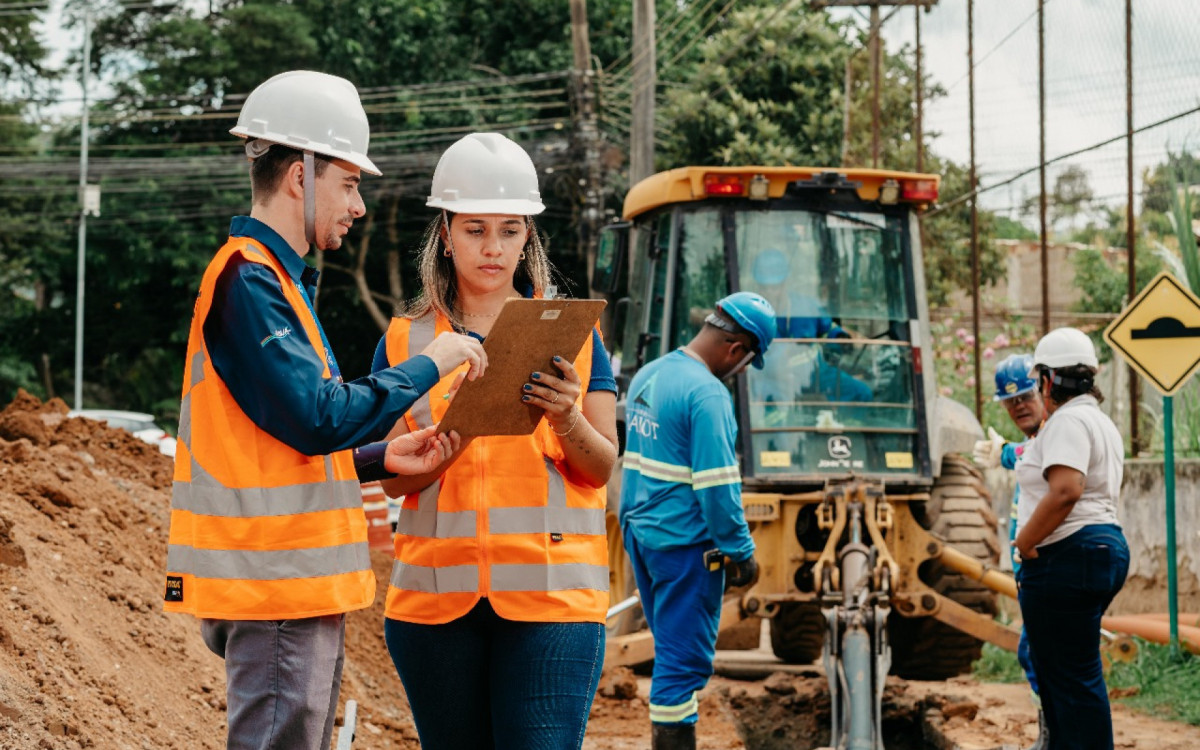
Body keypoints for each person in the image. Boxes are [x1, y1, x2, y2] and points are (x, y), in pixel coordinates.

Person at [162, 70, 486, 750]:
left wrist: (375, 459)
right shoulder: (249, 278)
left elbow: (288, 437)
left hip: (290, 581)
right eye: (349, 182)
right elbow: (318, 415)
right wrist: (436, 360)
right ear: (300, 176)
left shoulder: (273, 281)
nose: (360, 205)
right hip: (276, 582)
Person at [372, 132, 620, 749]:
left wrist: (566, 419)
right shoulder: (404, 343)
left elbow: (601, 468)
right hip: (436, 605)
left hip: (552, 601)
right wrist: (437, 455)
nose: (492, 247)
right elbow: (393, 478)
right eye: (475, 229)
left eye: (510, 230)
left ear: (528, 236)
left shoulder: (576, 336)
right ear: (446, 233)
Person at [619, 291, 775, 750]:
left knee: (670, 648)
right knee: (682, 664)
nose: (741, 370)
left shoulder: (653, 372)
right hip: (684, 544)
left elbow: (635, 462)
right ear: (736, 349)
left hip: (643, 534)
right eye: (747, 360)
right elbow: (717, 489)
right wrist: (741, 552)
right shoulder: (707, 394)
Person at [1013, 328, 1129, 750]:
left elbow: (1066, 490)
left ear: (1046, 380)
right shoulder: (1101, 422)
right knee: (1070, 676)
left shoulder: (1066, 422)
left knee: (1067, 681)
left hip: (1068, 555)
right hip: (1102, 548)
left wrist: (1024, 543)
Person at [973, 353, 1048, 750]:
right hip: (1031, 571)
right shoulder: (1032, 442)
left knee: (1043, 655)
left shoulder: (1052, 434)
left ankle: (1056, 736)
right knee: (1034, 654)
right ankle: (1051, 733)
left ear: (1045, 391)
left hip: (1050, 567)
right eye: (1010, 400)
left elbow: (1035, 458)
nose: (1018, 405)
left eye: (1025, 396)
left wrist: (1004, 454)